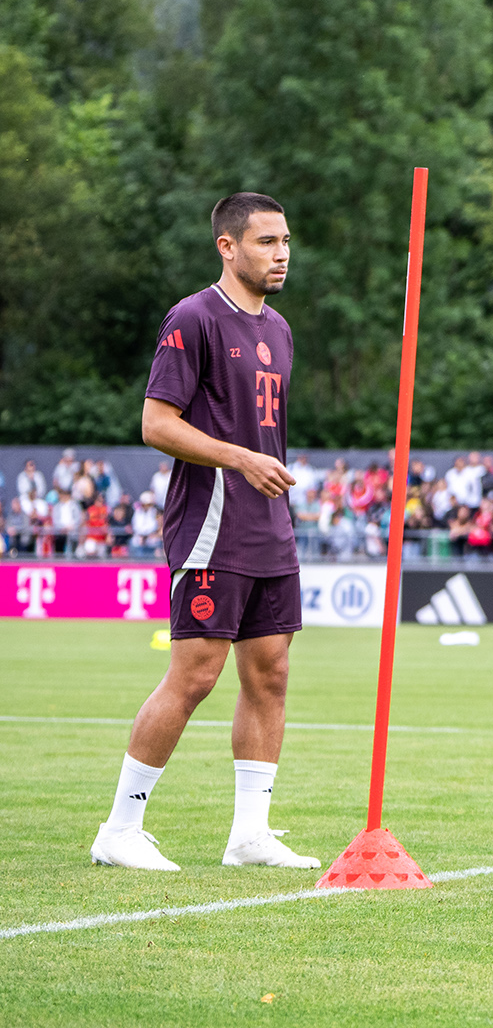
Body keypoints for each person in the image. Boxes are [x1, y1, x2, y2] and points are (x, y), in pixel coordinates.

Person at [90, 192, 315, 872]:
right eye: (265, 241)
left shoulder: (278, 328)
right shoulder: (193, 318)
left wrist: (261, 465)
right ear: (227, 245)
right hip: (212, 523)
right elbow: (156, 424)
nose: (280, 253)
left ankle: (250, 834)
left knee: (270, 674)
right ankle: (119, 830)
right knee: (195, 675)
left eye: (284, 241)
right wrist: (240, 457)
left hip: (269, 525)